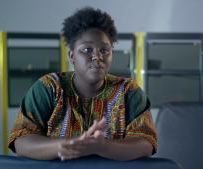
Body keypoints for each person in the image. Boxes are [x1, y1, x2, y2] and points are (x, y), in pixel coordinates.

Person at [8, 7, 157, 161]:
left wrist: (101, 146)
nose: (97, 56)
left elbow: (146, 143)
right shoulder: (48, 88)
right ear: (71, 56)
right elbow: (21, 141)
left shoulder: (128, 91)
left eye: (104, 50)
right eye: (87, 49)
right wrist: (66, 145)